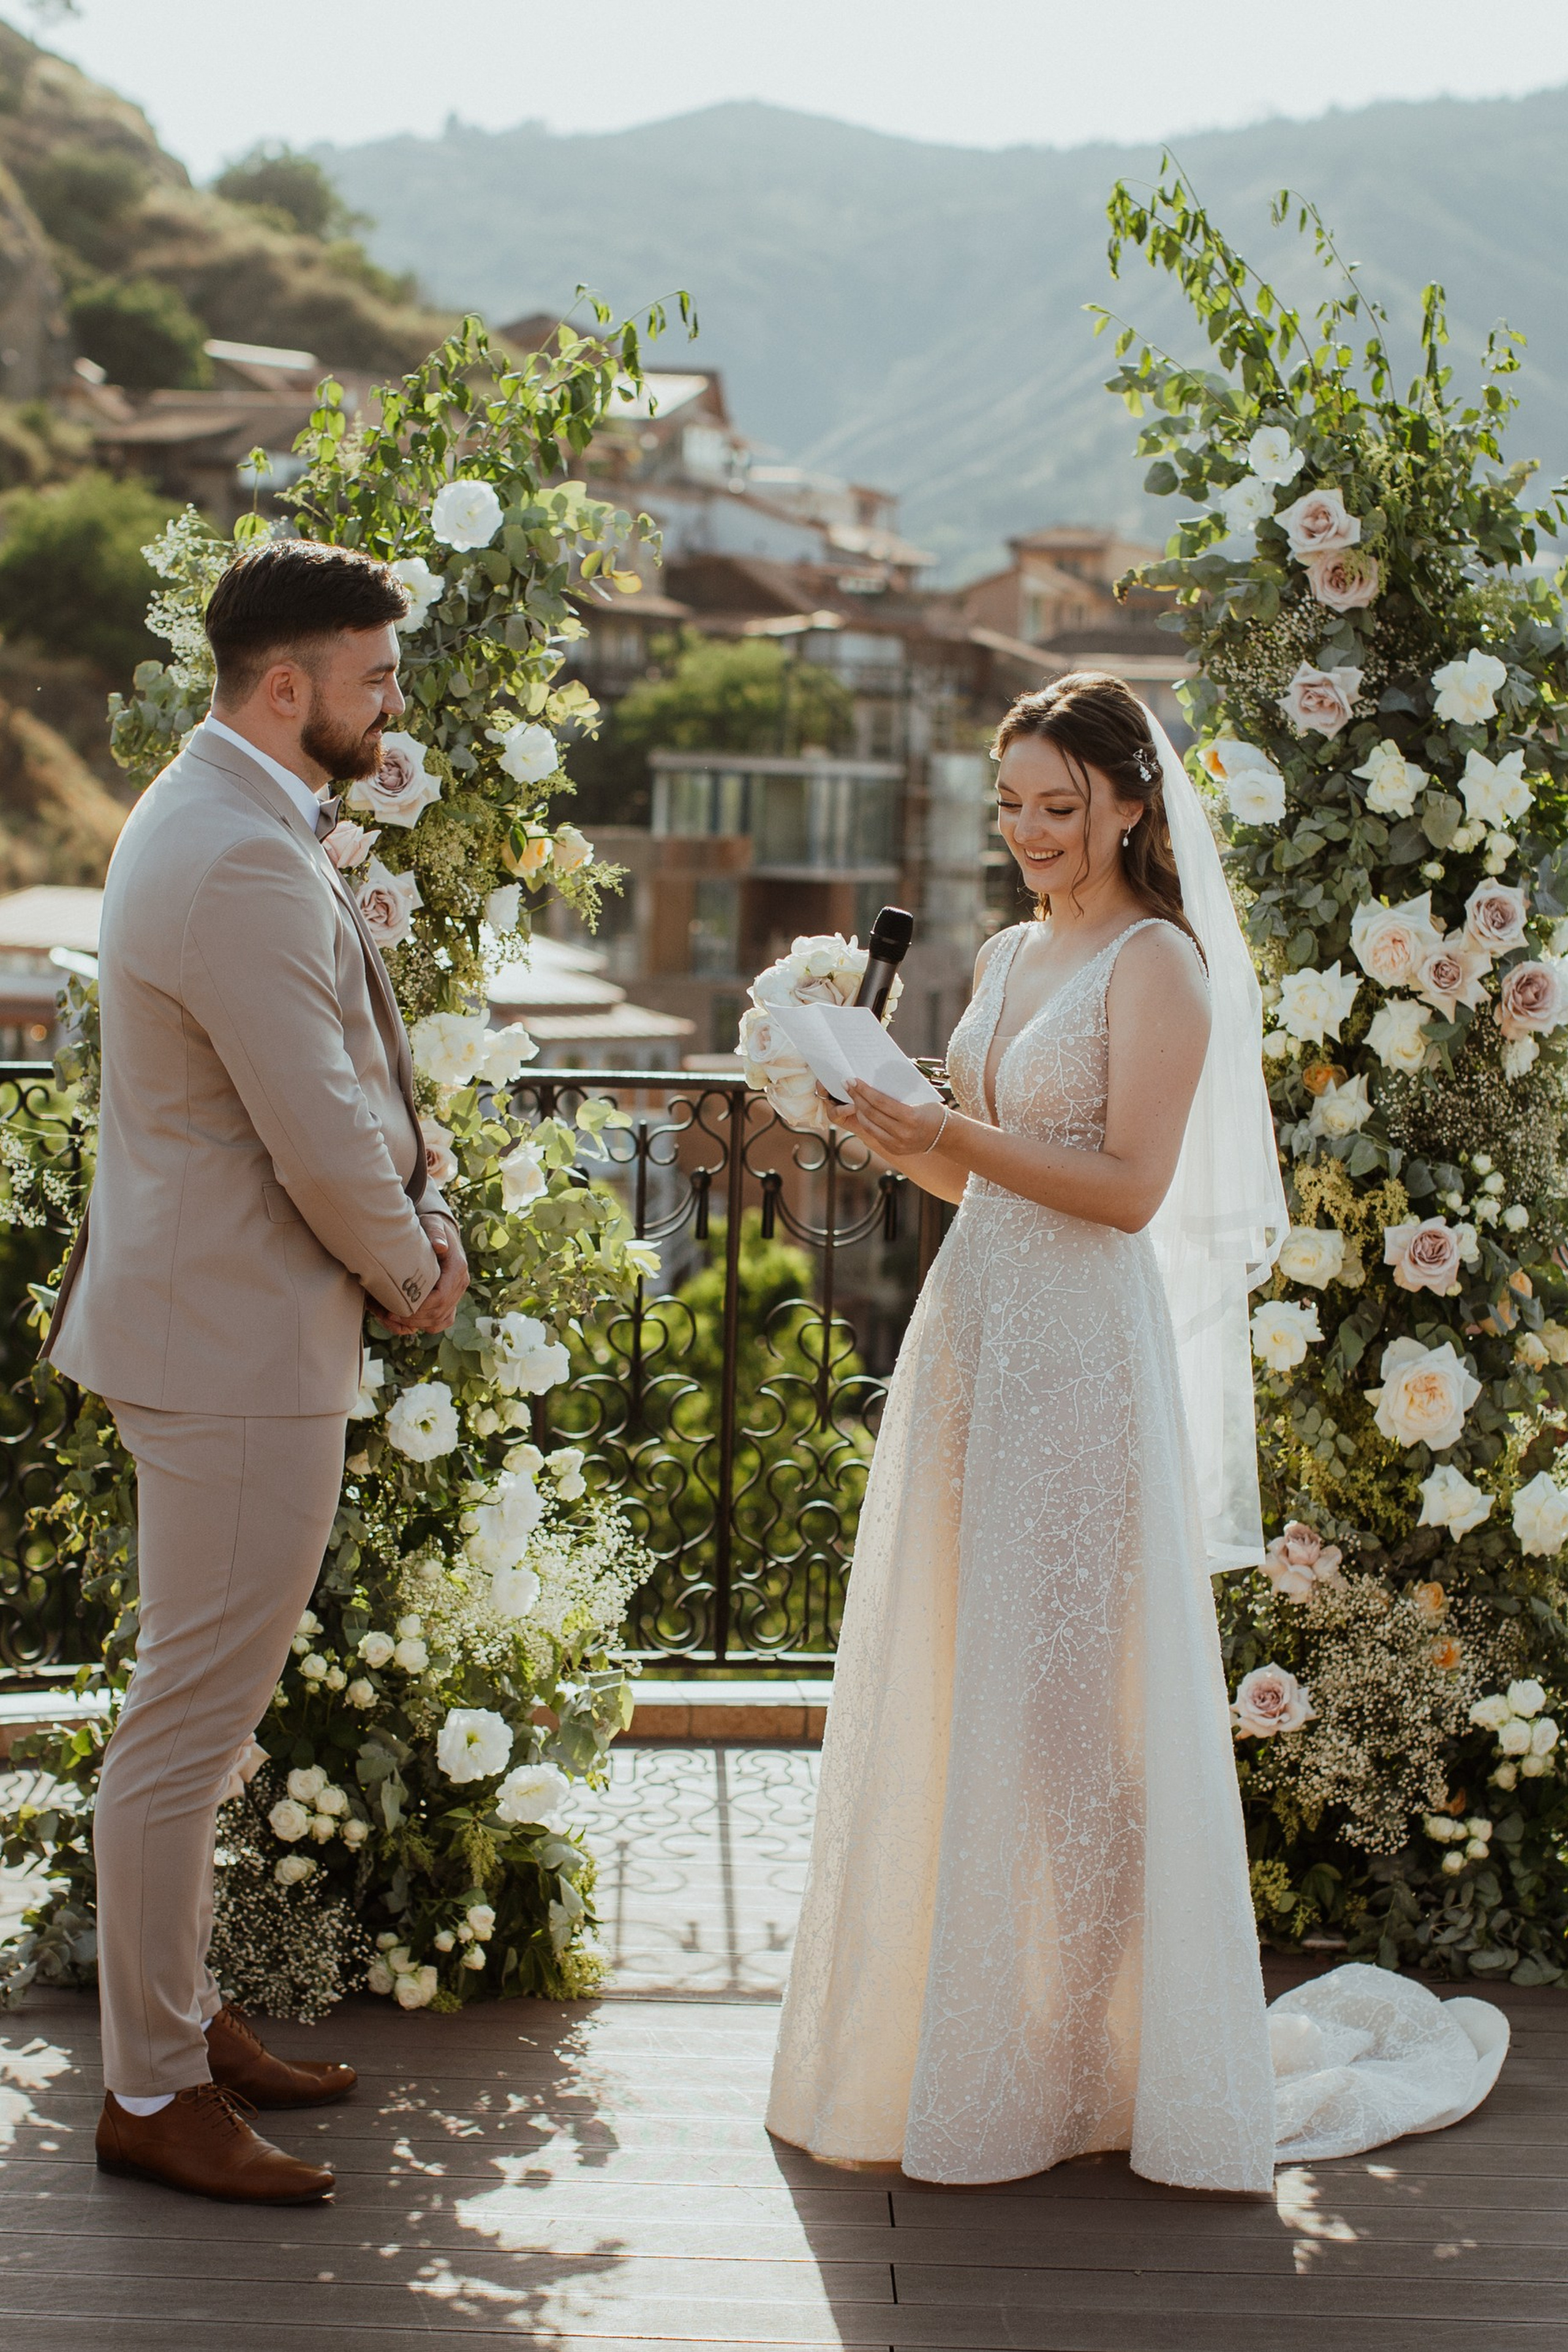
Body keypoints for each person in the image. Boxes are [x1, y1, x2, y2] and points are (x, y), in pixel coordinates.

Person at [766, 671, 1286, 2190]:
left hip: (1081, 1359)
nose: (1032, 833)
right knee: (967, 1673)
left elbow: (1126, 1190)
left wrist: (946, 1131)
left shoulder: (1157, 965)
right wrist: (877, 1119)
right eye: (1012, 806)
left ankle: (1088, 2036)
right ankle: (970, 2027)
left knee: (1069, 1713)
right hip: (976, 1337)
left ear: (1131, 802)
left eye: (1060, 807)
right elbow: (972, 1178)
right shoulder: (1001, 949)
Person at [42, 541, 469, 2204]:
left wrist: (407, 1202)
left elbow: (329, 1078)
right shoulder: (231, 852)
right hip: (233, 1341)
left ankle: (180, 2015)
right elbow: (313, 1126)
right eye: (373, 678)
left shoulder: (216, 812)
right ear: (287, 688)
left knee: (203, 1721)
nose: (392, 704)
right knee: (185, 1726)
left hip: (214, 1323)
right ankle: (150, 2089)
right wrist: (412, 1263)